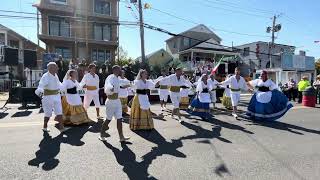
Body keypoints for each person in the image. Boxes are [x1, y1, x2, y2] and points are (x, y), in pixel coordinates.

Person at [35, 62, 69, 133]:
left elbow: (59, 85)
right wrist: (42, 94)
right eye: (56, 67)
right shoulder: (45, 76)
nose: (58, 68)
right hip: (48, 97)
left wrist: (65, 84)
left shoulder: (55, 75)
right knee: (48, 113)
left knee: (59, 112)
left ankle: (61, 128)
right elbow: (40, 87)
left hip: (56, 96)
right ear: (51, 68)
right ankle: (45, 126)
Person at [99, 65, 129, 142]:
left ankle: (121, 137)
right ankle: (101, 134)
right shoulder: (111, 77)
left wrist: (129, 84)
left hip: (117, 101)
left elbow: (121, 84)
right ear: (115, 70)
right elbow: (108, 85)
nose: (120, 71)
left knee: (119, 118)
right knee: (108, 119)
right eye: (119, 70)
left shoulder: (117, 78)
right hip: (111, 101)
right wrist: (110, 88)